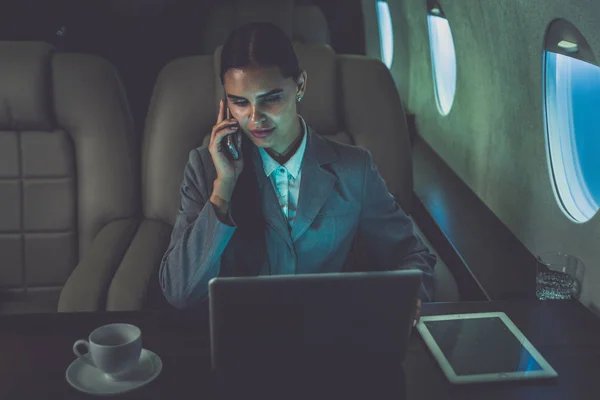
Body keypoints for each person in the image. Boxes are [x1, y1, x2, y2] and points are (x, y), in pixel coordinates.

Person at [159, 22, 436, 322]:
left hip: (330, 335)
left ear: (300, 85)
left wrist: (408, 297)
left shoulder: (355, 169)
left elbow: (411, 252)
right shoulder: (204, 169)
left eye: (271, 98)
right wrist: (223, 188)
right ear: (225, 102)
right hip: (243, 338)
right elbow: (179, 292)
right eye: (240, 103)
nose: (255, 119)